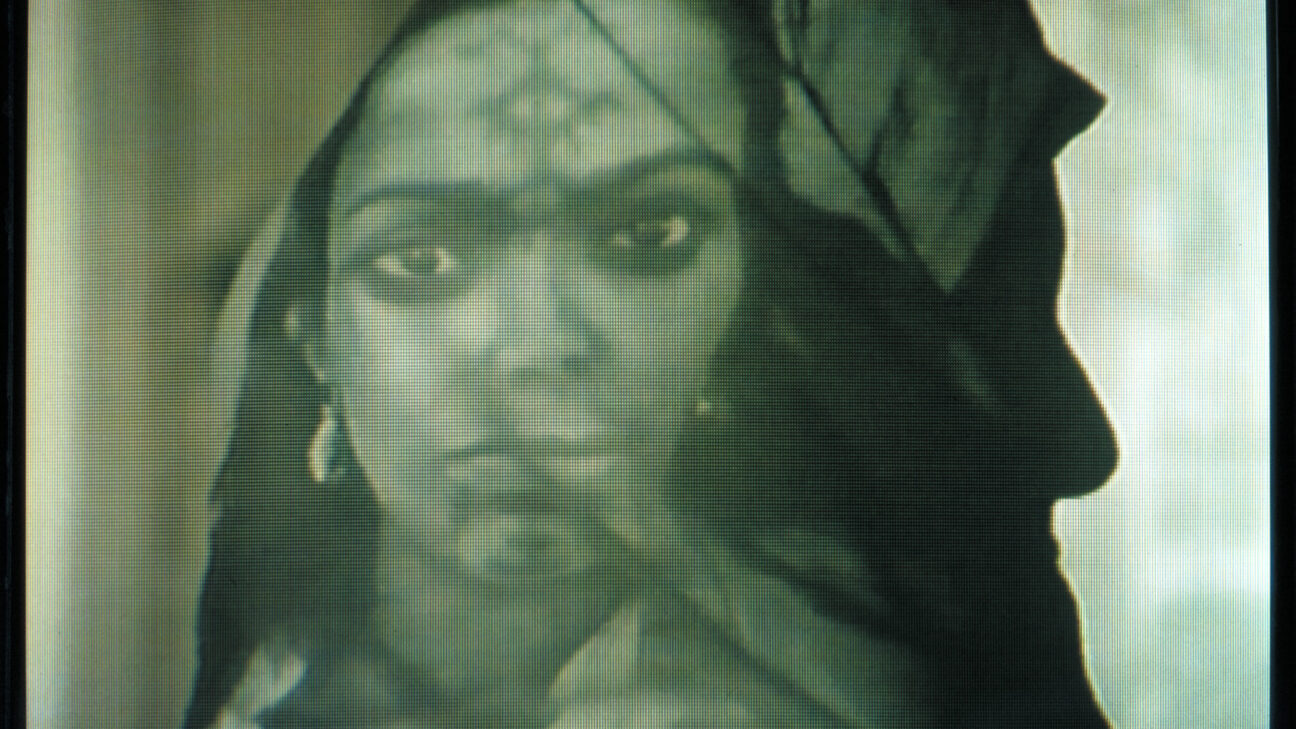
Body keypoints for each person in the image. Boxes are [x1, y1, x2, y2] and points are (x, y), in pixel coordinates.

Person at [184, 1, 1118, 727]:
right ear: (316, 343)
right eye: (422, 259)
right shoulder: (252, 689)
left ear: (748, 306)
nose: (536, 350)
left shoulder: (851, 673)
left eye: (646, 235)